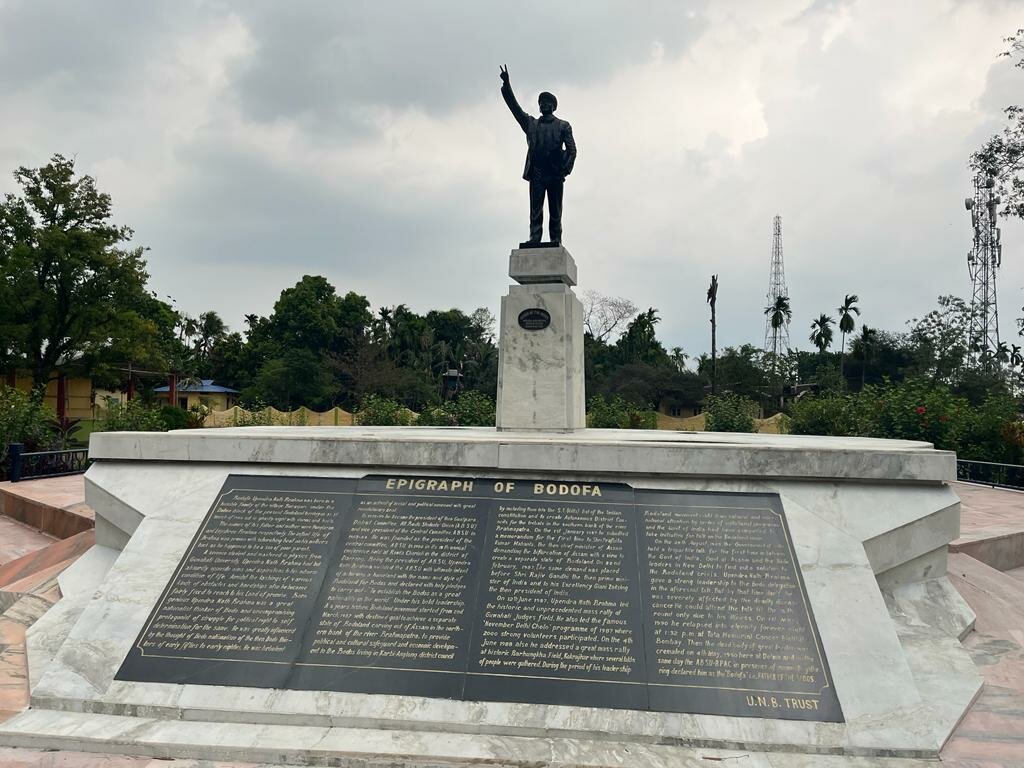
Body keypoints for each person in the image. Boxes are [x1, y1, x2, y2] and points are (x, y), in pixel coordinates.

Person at [499, 65, 576, 246]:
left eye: (548, 102)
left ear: (554, 106)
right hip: (538, 173)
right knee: (535, 209)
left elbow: (572, 150)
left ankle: (555, 238)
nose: (544, 104)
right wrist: (507, 86)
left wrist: (564, 169)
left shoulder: (563, 126)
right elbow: (515, 109)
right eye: (541, 102)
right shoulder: (531, 124)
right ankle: (535, 237)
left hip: (555, 173)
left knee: (555, 210)